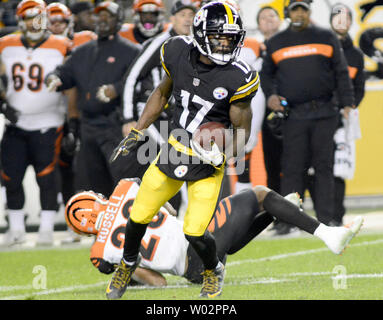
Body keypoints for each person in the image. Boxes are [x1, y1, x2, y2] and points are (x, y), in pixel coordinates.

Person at [107, 1, 258, 299]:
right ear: (201, 34)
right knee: (138, 215)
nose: (226, 43)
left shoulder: (239, 76)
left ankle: (213, 269)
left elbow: (242, 130)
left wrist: (226, 152)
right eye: (219, 37)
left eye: (230, 37)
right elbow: (162, 92)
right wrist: (138, 128)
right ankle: (127, 264)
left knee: (195, 230)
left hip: (208, 157)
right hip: (175, 146)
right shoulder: (176, 50)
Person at [65, 178, 363, 287]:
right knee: (259, 193)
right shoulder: (124, 188)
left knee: (227, 240)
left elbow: (158, 283)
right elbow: (168, 210)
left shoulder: (100, 256)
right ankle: (328, 234)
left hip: (193, 272)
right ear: (91, 201)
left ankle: (278, 210)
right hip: (198, 245)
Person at [260, 0, 354, 226]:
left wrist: (348, 103)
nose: (299, 13)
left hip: (325, 113)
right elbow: (266, 76)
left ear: (309, 11)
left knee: (324, 167)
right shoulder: (275, 42)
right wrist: (271, 96)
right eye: (295, 10)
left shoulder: (326, 37)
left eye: (303, 9)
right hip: (293, 115)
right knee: (292, 168)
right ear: (288, 13)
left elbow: (341, 72)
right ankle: (288, 222)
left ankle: (327, 220)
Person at [45, 1, 141, 198]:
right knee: (91, 185)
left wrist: (117, 89)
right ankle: (97, 227)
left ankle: (125, 227)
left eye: (109, 16)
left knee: (123, 182)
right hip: (87, 127)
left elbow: (144, 81)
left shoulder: (132, 51)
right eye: (99, 16)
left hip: (116, 126)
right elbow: (64, 72)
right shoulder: (83, 50)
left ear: (119, 20)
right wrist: (54, 78)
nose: (103, 20)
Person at [0, 0, 71, 245]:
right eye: (29, 17)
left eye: (38, 16)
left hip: (49, 122)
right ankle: (17, 228)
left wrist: (72, 120)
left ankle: (46, 228)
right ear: (21, 20)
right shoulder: (5, 45)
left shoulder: (62, 45)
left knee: (47, 177)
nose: (34, 22)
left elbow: (72, 83)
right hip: (15, 122)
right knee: (10, 176)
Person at [120, 0, 198, 212]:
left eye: (192, 14)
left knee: (181, 161)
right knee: (176, 158)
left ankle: (169, 212)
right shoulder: (161, 42)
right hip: (154, 113)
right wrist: (128, 117)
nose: (188, 19)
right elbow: (131, 77)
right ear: (172, 18)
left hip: (178, 117)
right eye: (183, 15)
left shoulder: (197, 45)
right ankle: (184, 213)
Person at [308, 3, 365, 226]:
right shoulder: (321, 48)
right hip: (320, 117)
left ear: (350, 22)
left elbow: (358, 88)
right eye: (336, 17)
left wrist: (347, 107)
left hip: (343, 121)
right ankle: (322, 216)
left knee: (339, 168)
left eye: (345, 18)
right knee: (317, 167)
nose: (341, 21)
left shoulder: (357, 55)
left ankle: (337, 217)